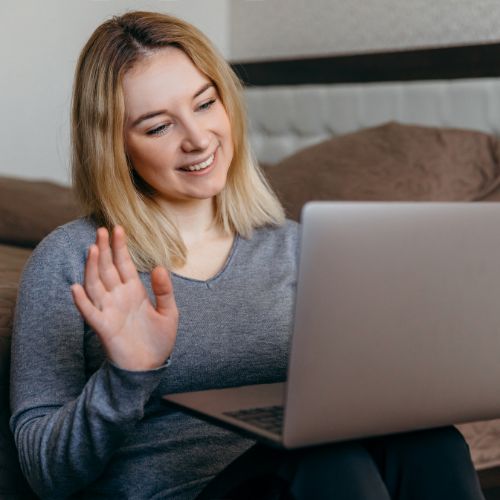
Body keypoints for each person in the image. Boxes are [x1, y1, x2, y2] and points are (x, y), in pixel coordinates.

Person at [9, 10, 485, 500]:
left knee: (432, 442)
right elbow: (44, 474)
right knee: (328, 463)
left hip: (311, 479)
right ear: (115, 147)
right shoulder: (73, 260)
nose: (197, 139)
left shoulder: (298, 247)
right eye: (158, 127)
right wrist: (127, 376)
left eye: (205, 104)